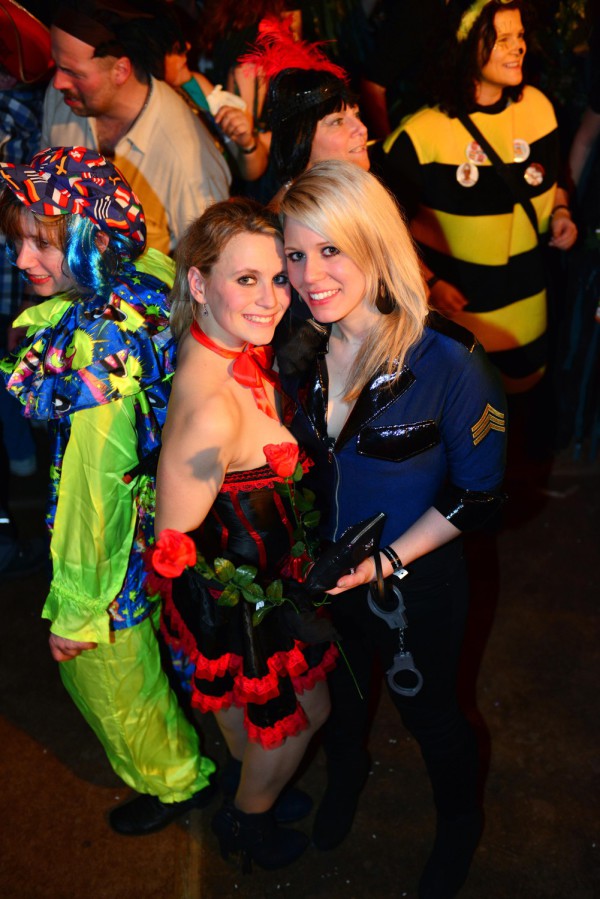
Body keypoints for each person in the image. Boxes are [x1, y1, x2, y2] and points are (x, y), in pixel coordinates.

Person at [277, 159, 507, 899]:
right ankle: (347, 778)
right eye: (296, 254)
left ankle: (460, 821)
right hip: (322, 580)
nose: (310, 276)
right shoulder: (294, 343)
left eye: (330, 249)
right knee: (343, 702)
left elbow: (480, 497)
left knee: (431, 716)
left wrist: (383, 564)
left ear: (374, 242)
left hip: (414, 586)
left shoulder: (452, 361)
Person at [0, 146, 216, 835]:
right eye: (17, 240)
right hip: (163, 519)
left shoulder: (97, 347)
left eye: (42, 244)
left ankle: (176, 782)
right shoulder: (142, 273)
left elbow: (94, 491)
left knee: (109, 675)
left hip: (113, 548)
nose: (21, 260)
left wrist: (77, 611)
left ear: (92, 240)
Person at [153, 198, 337, 870]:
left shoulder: (228, 345)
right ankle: (246, 820)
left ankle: (249, 780)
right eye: (247, 280)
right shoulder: (210, 410)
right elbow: (173, 539)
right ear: (199, 284)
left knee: (280, 722)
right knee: (298, 722)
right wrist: (243, 617)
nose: (271, 300)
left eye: (278, 278)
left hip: (262, 587)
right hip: (246, 603)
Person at [380, 0, 577, 401]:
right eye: (502, 39)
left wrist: (561, 212)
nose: (518, 47)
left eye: (519, 35)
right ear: (466, 45)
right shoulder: (420, 136)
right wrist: (428, 280)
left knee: (526, 412)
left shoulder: (539, 108)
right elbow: (381, 227)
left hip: (530, 309)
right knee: (468, 417)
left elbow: (557, 178)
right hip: (462, 317)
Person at [42, 0, 231, 255]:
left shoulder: (186, 158)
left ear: (121, 70)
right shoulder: (63, 101)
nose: (58, 83)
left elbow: (210, 261)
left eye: (73, 72)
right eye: (57, 65)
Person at [240, 17, 369, 202]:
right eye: (337, 121)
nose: (362, 129)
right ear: (301, 138)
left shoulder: (349, 195)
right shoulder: (295, 216)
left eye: (356, 114)